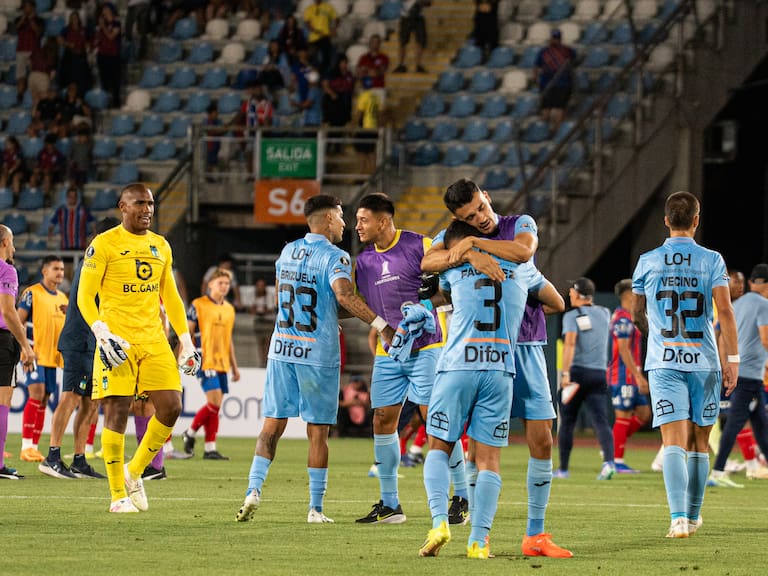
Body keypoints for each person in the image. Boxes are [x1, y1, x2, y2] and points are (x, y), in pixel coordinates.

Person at [421, 178, 572, 558]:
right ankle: (480, 534)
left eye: (481, 208)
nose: (480, 218)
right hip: (497, 353)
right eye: (470, 217)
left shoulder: (519, 223)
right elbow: (428, 261)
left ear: (486, 197)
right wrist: (469, 254)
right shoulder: (452, 236)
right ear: (459, 219)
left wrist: (473, 246)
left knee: (542, 438)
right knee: (481, 447)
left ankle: (535, 535)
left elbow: (524, 251)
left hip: (525, 346)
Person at [236, 194, 395, 524]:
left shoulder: (287, 251)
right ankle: (315, 508)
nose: (345, 223)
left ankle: (252, 491)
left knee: (271, 427)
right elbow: (343, 295)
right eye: (341, 216)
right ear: (327, 220)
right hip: (317, 354)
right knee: (318, 433)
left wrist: (331, 312)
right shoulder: (336, 256)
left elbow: (287, 296)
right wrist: (381, 324)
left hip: (283, 349)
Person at [77, 182, 201, 513]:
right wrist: (100, 331)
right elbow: (85, 295)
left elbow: (171, 297)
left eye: (150, 203)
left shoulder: (160, 245)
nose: (147, 209)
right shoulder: (104, 244)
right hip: (116, 340)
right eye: (139, 203)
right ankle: (117, 495)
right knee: (117, 410)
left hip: (153, 339)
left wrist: (186, 341)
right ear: (123, 207)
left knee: (171, 407)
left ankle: (134, 472)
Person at [631, 190, 739, 538]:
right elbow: (725, 312)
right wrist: (733, 360)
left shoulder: (647, 260)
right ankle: (692, 517)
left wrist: (657, 338)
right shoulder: (712, 260)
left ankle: (677, 518)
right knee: (699, 443)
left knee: (673, 442)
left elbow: (636, 313)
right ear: (696, 220)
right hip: (704, 361)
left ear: (666, 220)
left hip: (664, 362)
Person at [353, 193, 453, 526]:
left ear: (383, 221)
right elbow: (365, 305)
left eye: (364, 220)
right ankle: (390, 504)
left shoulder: (420, 245)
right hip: (390, 351)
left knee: (435, 420)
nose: (358, 226)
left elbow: (447, 290)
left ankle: (461, 497)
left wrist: (427, 305)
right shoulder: (364, 262)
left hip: (426, 346)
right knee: (382, 419)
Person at [39, 218, 120, 480]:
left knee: (90, 403)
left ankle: (79, 460)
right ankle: (52, 457)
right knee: (71, 397)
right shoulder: (93, 260)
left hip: (92, 342)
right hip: (78, 340)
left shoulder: (100, 260)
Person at [709, 264, 768, 485]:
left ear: (752, 283)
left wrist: (725, 364)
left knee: (760, 426)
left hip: (742, 372)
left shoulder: (737, 304)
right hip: (750, 375)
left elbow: (720, 334)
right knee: (734, 425)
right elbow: (765, 339)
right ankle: (717, 473)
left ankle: (719, 471)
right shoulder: (764, 305)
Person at [556, 277, 615, 479]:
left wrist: (565, 374)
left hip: (577, 373)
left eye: (572, 291)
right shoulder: (605, 312)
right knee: (601, 421)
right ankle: (609, 463)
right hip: (598, 373)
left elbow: (570, 344)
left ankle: (563, 469)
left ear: (578, 294)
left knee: (567, 422)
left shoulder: (571, 316)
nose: (569, 294)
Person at [181, 268, 240, 460]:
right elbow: (188, 332)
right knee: (214, 402)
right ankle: (190, 432)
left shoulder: (229, 309)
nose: (224, 286)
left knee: (215, 406)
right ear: (210, 284)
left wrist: (235, 367)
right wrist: (185, 355)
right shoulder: (198, 304)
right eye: (220, 283)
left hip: (222, 362)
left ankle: (209, 448)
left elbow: (228, 339)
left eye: (227, 283)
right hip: (205, 360)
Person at [17, 255, 68, 463]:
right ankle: (26, 446)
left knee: (44, 399)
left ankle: (34, 447)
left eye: (62, 269)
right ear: (44, 271)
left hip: (52, 357)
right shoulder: (32, 293)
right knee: (36, 394)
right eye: (56, 268)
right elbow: (19, 321)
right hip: (34, 353)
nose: (60, 273)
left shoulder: (63, 298)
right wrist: (25, 348)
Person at [0, 225, 36, 479]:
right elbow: (8, 311)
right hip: (2, 341)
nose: (13, 247)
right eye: (11, 242)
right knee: (2, 402)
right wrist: (25, 345)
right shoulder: (7, 270)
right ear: (4, 242)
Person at [608, 278, 651, 473]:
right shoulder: (623, 319)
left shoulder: (629, 316)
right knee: (623, 415)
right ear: (628, 295)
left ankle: (612, 444)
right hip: (623, 375)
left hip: (631, 374)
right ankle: (616, 460)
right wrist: (639, 376)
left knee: (644, 414)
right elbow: (624, 350)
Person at [532, 28, 575, 132]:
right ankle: (544, 131)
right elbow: (536, 66)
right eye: (554, 38)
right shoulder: (545, 52)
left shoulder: (567, 51)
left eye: (556, 38)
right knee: (546, 110)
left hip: (562, 84)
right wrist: (535, 78)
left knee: (558, 108)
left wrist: (535, 78)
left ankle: (556, 131)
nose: (554, 40)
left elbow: (573, 62)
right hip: (548, 84)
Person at [14, 0, 44, 102]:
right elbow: (15, 29)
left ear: (33, 8)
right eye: (24, 7)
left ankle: (35, 99)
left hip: (34, 51)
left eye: (28, 6)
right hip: (21, 50)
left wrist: (31, 20)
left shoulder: (39, 20)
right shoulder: (19, 19)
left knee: (33, 75)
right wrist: (23, 19)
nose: (26, 9)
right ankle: (20, 96)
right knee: (20, 75)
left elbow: (38, 32)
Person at [48, 186, 94, 251]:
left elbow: (93, 224)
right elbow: (52, 224)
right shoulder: (61, 211)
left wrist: (93, 238)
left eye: (74, 196)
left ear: (77, 198)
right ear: (67, 197)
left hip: (80, 246)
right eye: (70, 196)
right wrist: (50, 234)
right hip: (65, 246)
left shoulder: (83, 210)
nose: (72, 198)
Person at [94, 3, 122, 109]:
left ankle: (116, 103)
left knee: (115, 81)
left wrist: (103, 26)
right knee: (103, 81)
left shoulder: (116, 23)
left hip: (113, 56)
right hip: (102, 55)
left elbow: (111, 36)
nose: (103, 11)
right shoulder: (102, 24)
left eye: (105, 9)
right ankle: (104, 103)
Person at [352, 77, 381, 174]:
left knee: (360, 150)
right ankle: (373, 171)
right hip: (374, 126)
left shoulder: (363, 96)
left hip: (365, 127)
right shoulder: (375, 97)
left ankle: (362, 171)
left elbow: (360, 113)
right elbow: (379, 113)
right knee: (371, 151)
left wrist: (353, 124)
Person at [394, 0, 431, 74]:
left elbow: (428, 3)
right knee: (403, 42)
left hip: (419, 17)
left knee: (420, 41)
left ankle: (418, 65)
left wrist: (422, 2)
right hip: (406, 16)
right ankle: (401, 65)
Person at [302, 0, 337, 74]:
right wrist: (314, 30)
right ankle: (310, 73)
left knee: (326, 57)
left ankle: (322, 74)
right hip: (313, 38)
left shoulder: (328, 7)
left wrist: (334, 29)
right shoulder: (309, 9)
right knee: (311, 57)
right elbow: (307, 22)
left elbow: (336, 18)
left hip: (325, 36)